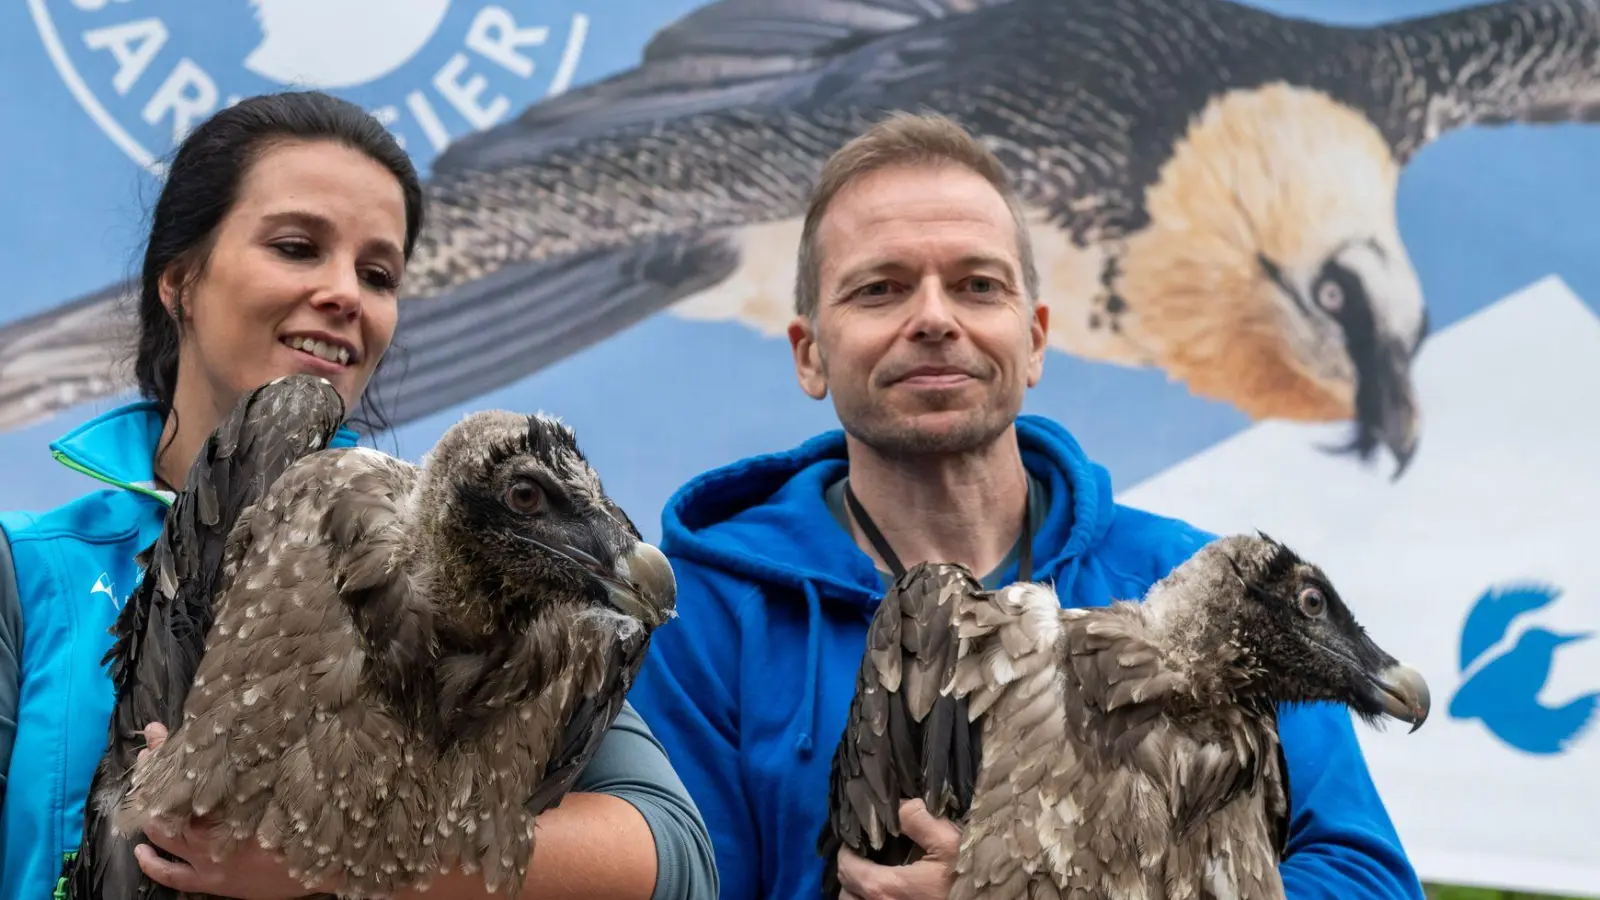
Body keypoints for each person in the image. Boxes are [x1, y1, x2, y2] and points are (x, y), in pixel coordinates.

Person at [626, 111, 1425, 900]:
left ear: (1034, 338)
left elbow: (1366, 880)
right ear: (810, 353)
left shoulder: (1204, 592)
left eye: (978, 285)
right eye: (881, 289)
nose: (935, 318)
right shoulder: (703, 619)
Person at [0, 90, 717, 900]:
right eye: (298, 247)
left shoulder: (465, 547)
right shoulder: (30, 570)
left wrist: (338, 860)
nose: (345, 292)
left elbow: (674, 860)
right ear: (180, 282)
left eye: (378, 273)